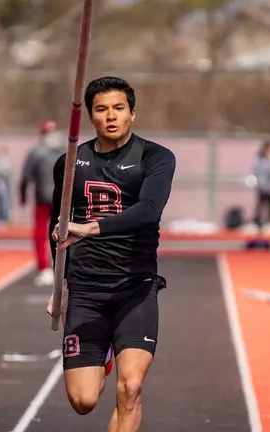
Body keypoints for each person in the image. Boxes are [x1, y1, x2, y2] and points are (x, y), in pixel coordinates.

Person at [45, 76, 175, 432]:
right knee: (83, 401)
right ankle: (102, 354)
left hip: (135, 289)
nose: (111, 116)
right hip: (86, 292)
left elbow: (148, 209)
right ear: (91, 116)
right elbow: (56, 228)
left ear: (133, 113)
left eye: (119, 108)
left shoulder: (155, 157)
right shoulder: (71, 162)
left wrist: (89, 228)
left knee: (131, 387)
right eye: (101, 109)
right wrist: (60, 288)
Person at [20, 120, 65, 287]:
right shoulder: (65, 151)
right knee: (63, 231)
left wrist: (23, 196)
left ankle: (44, 267)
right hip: (60, 199)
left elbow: (25, 177)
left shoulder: (36, 152)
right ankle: (60, 267)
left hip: (43, 198)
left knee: (41, 233)